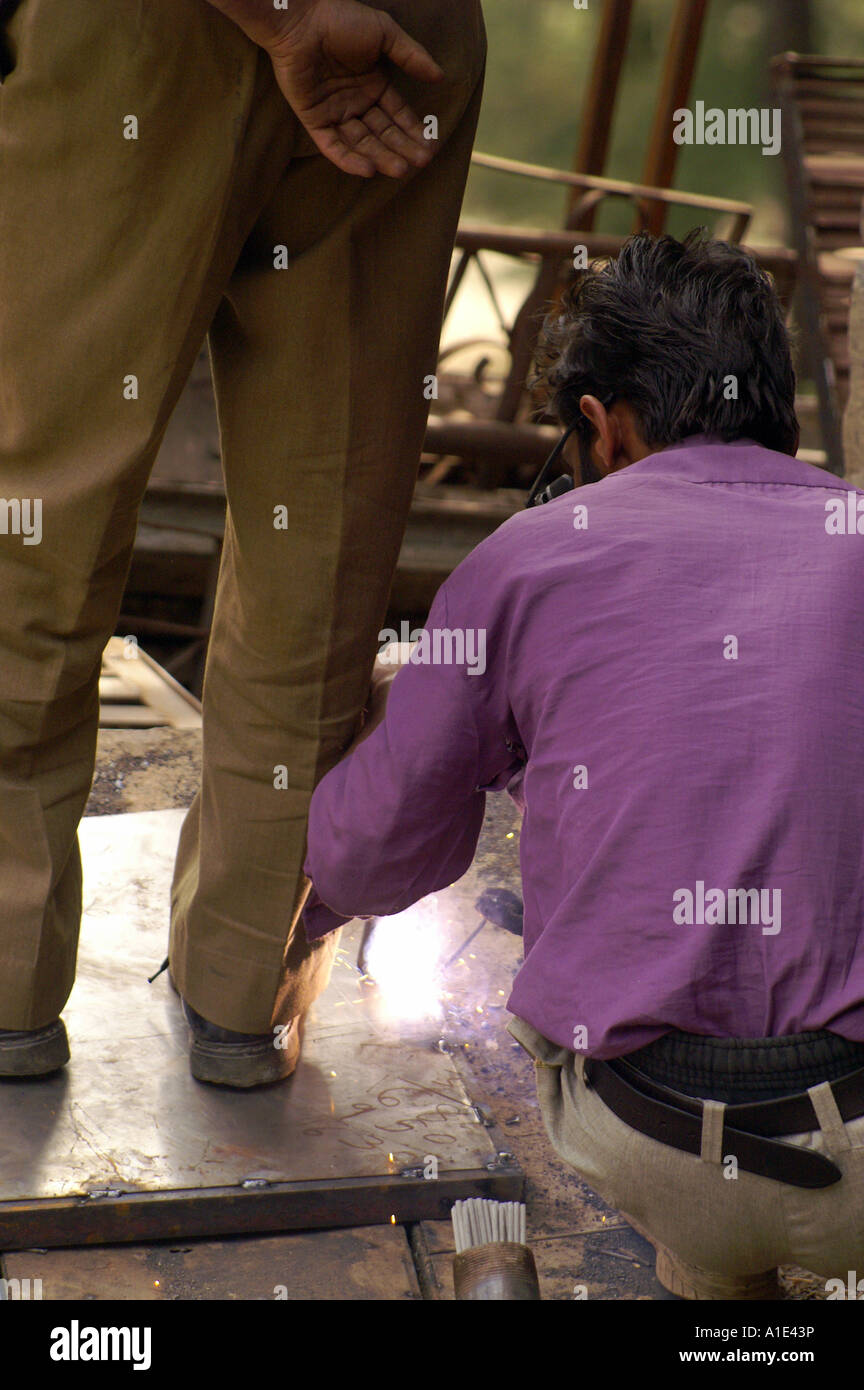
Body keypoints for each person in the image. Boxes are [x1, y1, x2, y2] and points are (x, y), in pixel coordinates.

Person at [301, 231, 864, 1299]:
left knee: (709, 1249)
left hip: (656, 1137)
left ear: (603, 428)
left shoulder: (521, 563)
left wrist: (297, 905)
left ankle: (720, 1278)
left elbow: (372, 851)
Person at [0, 0, 486, 1085]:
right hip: (405, 37)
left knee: (40, 512)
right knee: (324, 525)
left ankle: (4, 977)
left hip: (151, 31)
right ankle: (244, 989)